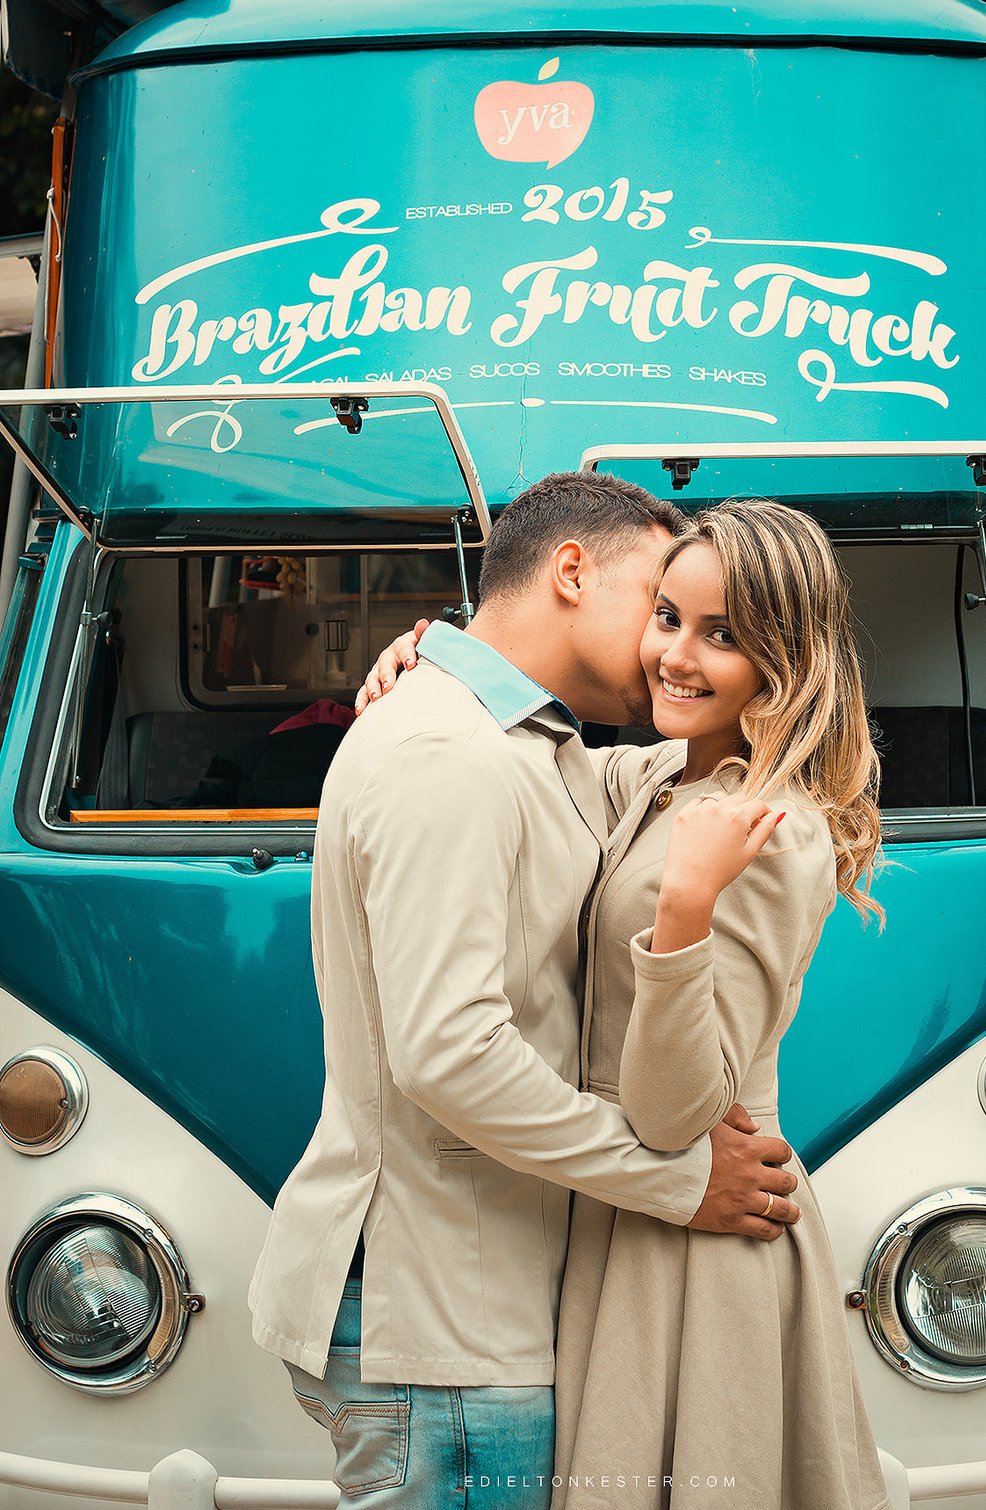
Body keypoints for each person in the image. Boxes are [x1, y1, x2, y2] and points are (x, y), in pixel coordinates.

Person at [249, 472, 803, 1510]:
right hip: (445, 1321)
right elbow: (449, 1051)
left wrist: (433, 645)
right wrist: (678, 1180)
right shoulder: (448, 751)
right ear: (570, 571)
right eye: (658, 605)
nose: (663, 646)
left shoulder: (524, 743)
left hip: (464, 1308)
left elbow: (695, 775)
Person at [366, 497, 889, 1509]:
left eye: (721, 635)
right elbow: (531, 757)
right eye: (667, 617)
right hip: (632, 1212)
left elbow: (673, 1112)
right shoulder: (656, 774)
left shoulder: (769, 829)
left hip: (694, 1243)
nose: (674, 656)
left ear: (784, 661)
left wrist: (684, 908)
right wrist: (432, 662)